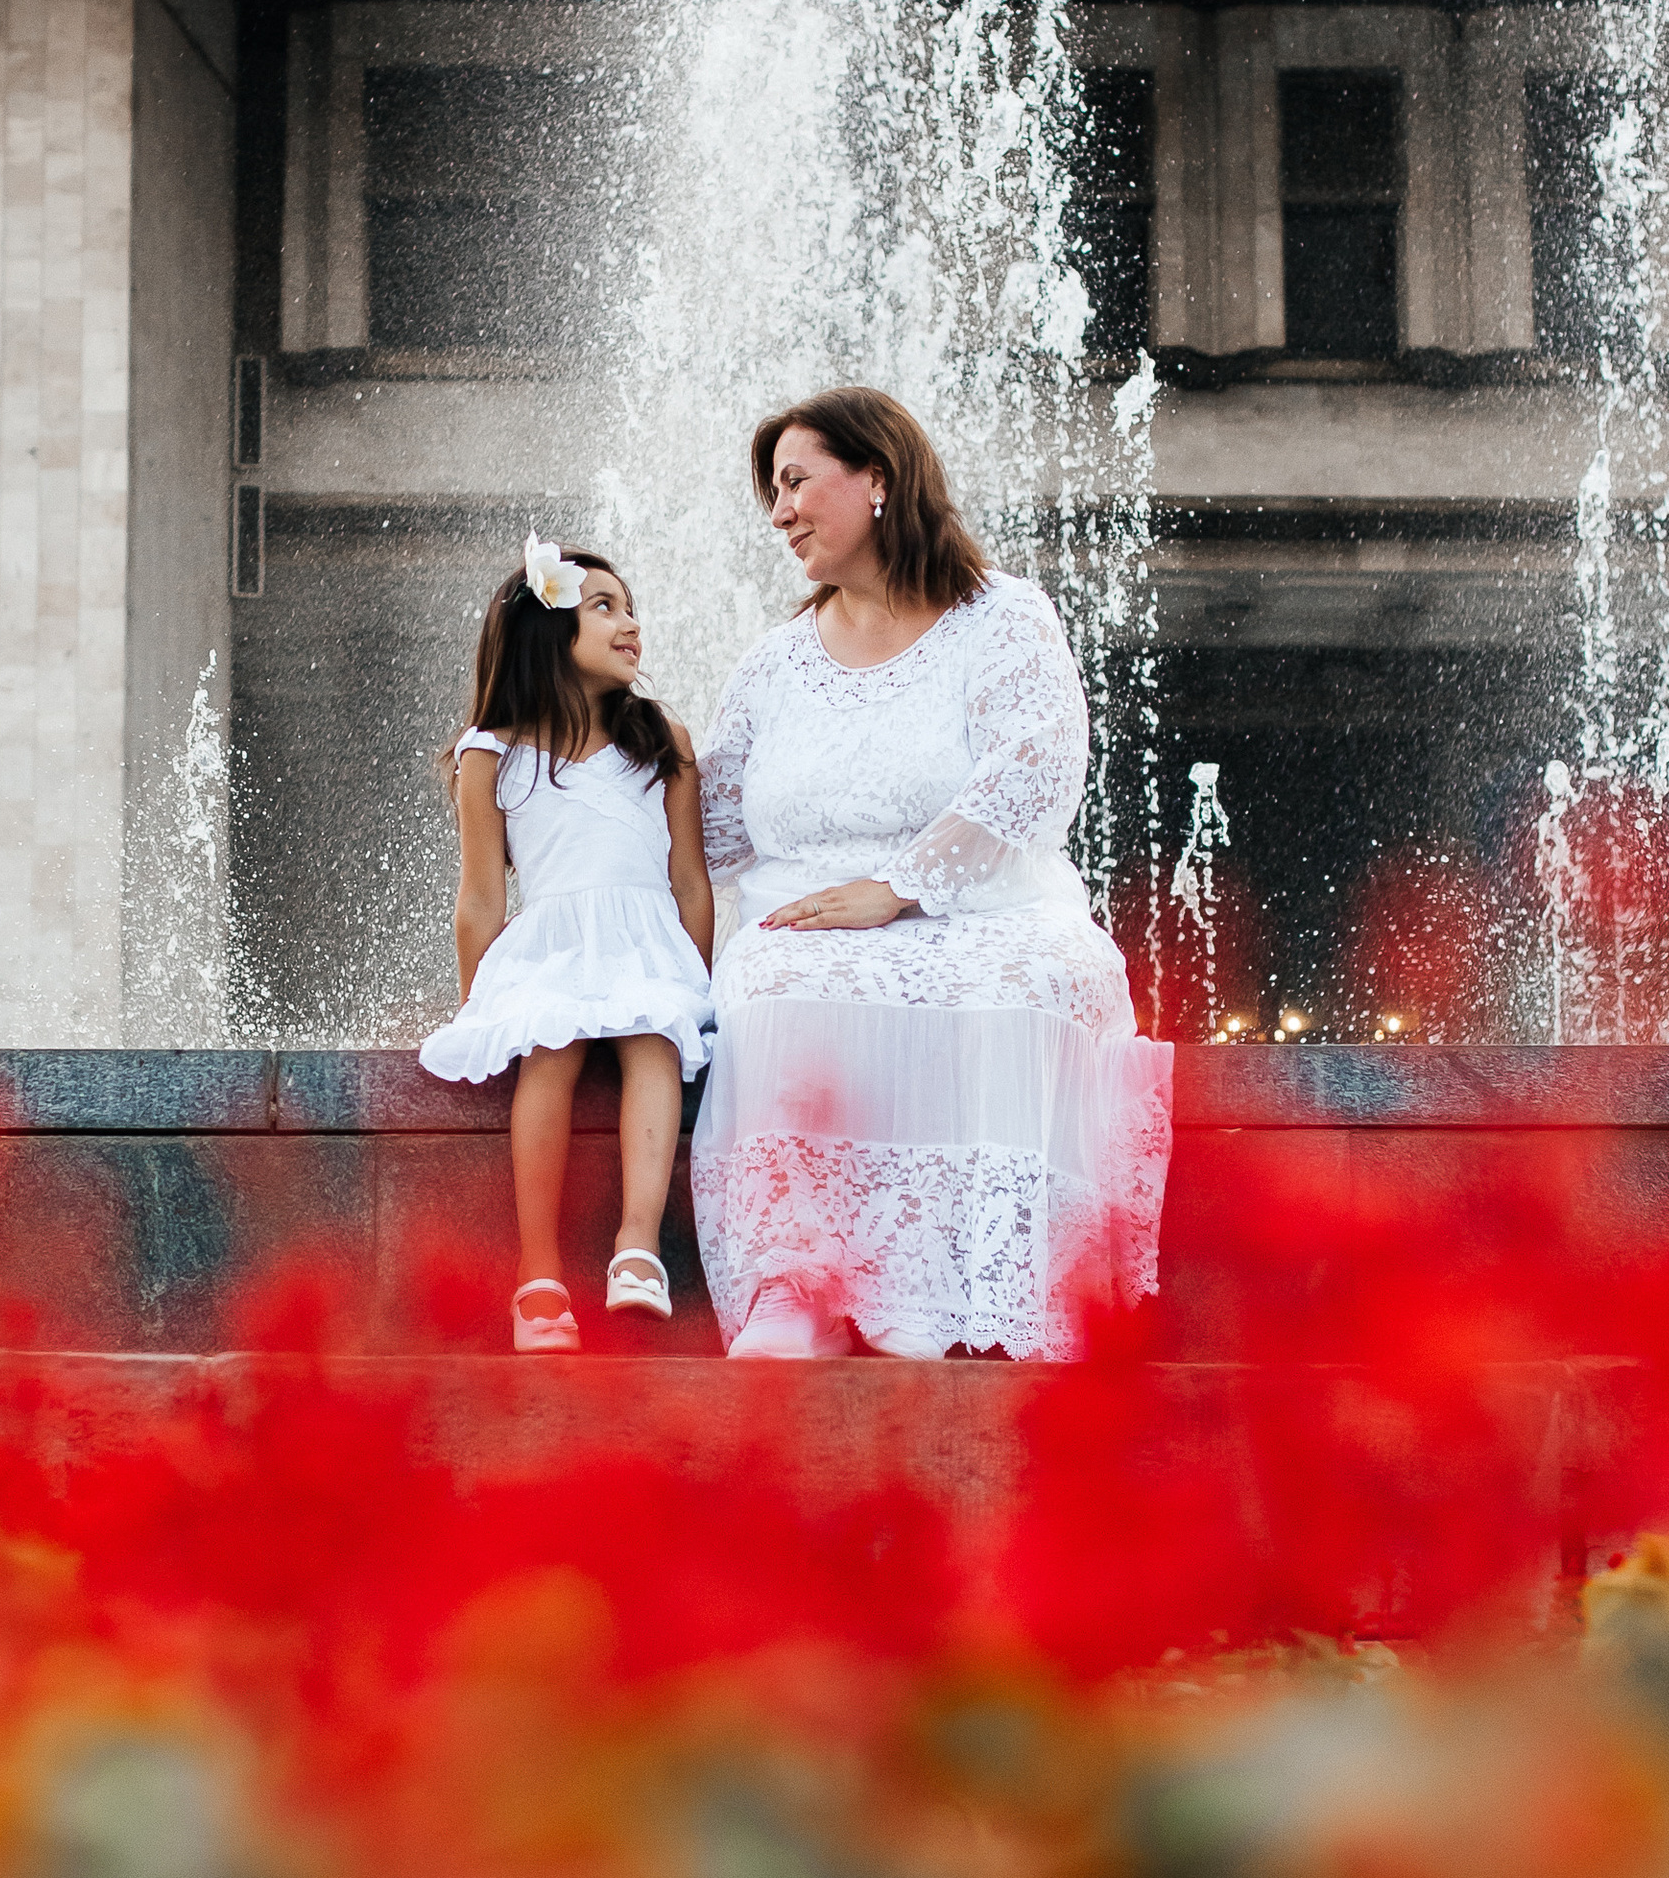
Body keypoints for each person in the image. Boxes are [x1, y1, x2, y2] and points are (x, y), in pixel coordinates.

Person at [692, 388, 1171, 1360]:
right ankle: (797, 1288)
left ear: (876, 478)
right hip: (810, 924)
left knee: (1032, 983)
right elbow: (705, 824)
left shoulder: (1003, 617)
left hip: (988, 906)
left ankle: (1000, 1295)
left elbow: (1038, 763)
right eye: (772, 492)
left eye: (795, 482)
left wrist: (901, 889)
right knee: (777, 982)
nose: (779, 513)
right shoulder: (774, 665)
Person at [420, 534, 716, 1351]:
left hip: (645, 943)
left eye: (632, 609)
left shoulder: (662, 740)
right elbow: (481, 898)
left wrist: (696, 984)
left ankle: (638, 1249)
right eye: (605, 608)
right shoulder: (492, 755)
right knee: (549, 1051)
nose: (631, 624)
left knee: (655, 1039)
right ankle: (540, 1274)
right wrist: (482, 1003)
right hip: (553, 944)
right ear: (548, 631)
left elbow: (691, 882)